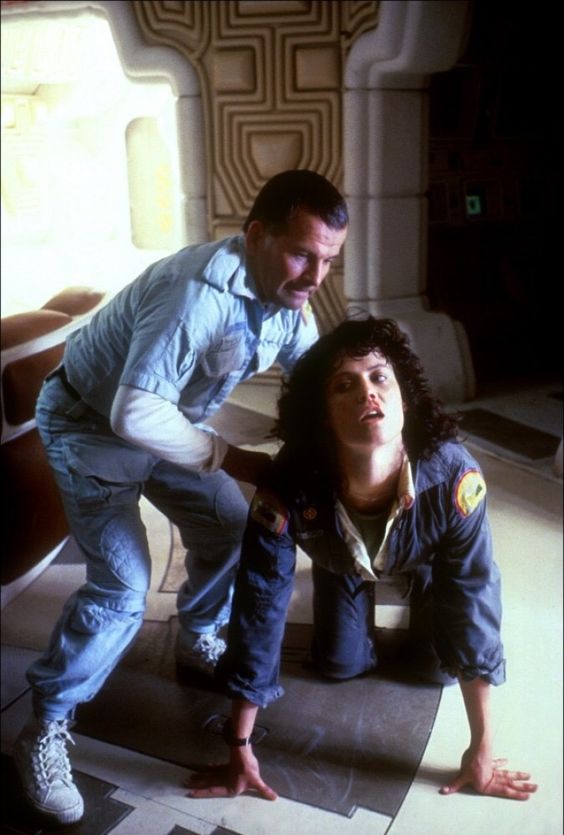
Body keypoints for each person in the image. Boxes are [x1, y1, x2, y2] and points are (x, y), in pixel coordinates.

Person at [13, 169, 349, 825]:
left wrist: (368, 439)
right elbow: (134, 412)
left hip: (165, 422)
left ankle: (198, 632)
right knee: (123, 588)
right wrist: (239, 459)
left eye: (329, 260)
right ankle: (44, 728)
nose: (316, 276)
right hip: (89, 426)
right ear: (256, 235)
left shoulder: (288, 293)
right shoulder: (194, 296)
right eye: (303, 254)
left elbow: (315, 377)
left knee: (230, 522)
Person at [188, 316, 538, 803]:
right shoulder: (286, 488)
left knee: (435, 670)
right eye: (344, 385)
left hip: (427, 558)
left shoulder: (455, 479)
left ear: (404, 399)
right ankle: (348, 576)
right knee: (340, 663)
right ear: (323, 415)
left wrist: (482, 747)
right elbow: (259, 606)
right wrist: (240, 745)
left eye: (379, 378)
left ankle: (417, 585)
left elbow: (473, 595)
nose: (367, 393)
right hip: (340, 559)